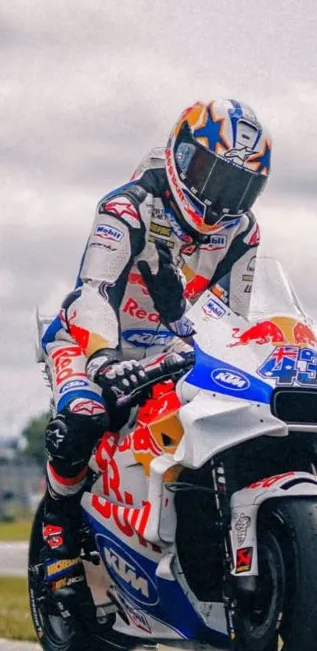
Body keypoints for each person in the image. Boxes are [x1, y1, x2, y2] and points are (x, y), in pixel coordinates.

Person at [39, 98, 272, 620]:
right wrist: (100, 359)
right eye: (209, 174)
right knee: (85, 412)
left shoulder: (243, 232)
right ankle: (56, 521)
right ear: (179, 155)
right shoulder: (128, 205)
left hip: (170, 349)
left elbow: (234, 317)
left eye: (236, 185)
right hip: (89, 338)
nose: (217, 196)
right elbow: (93, 291)